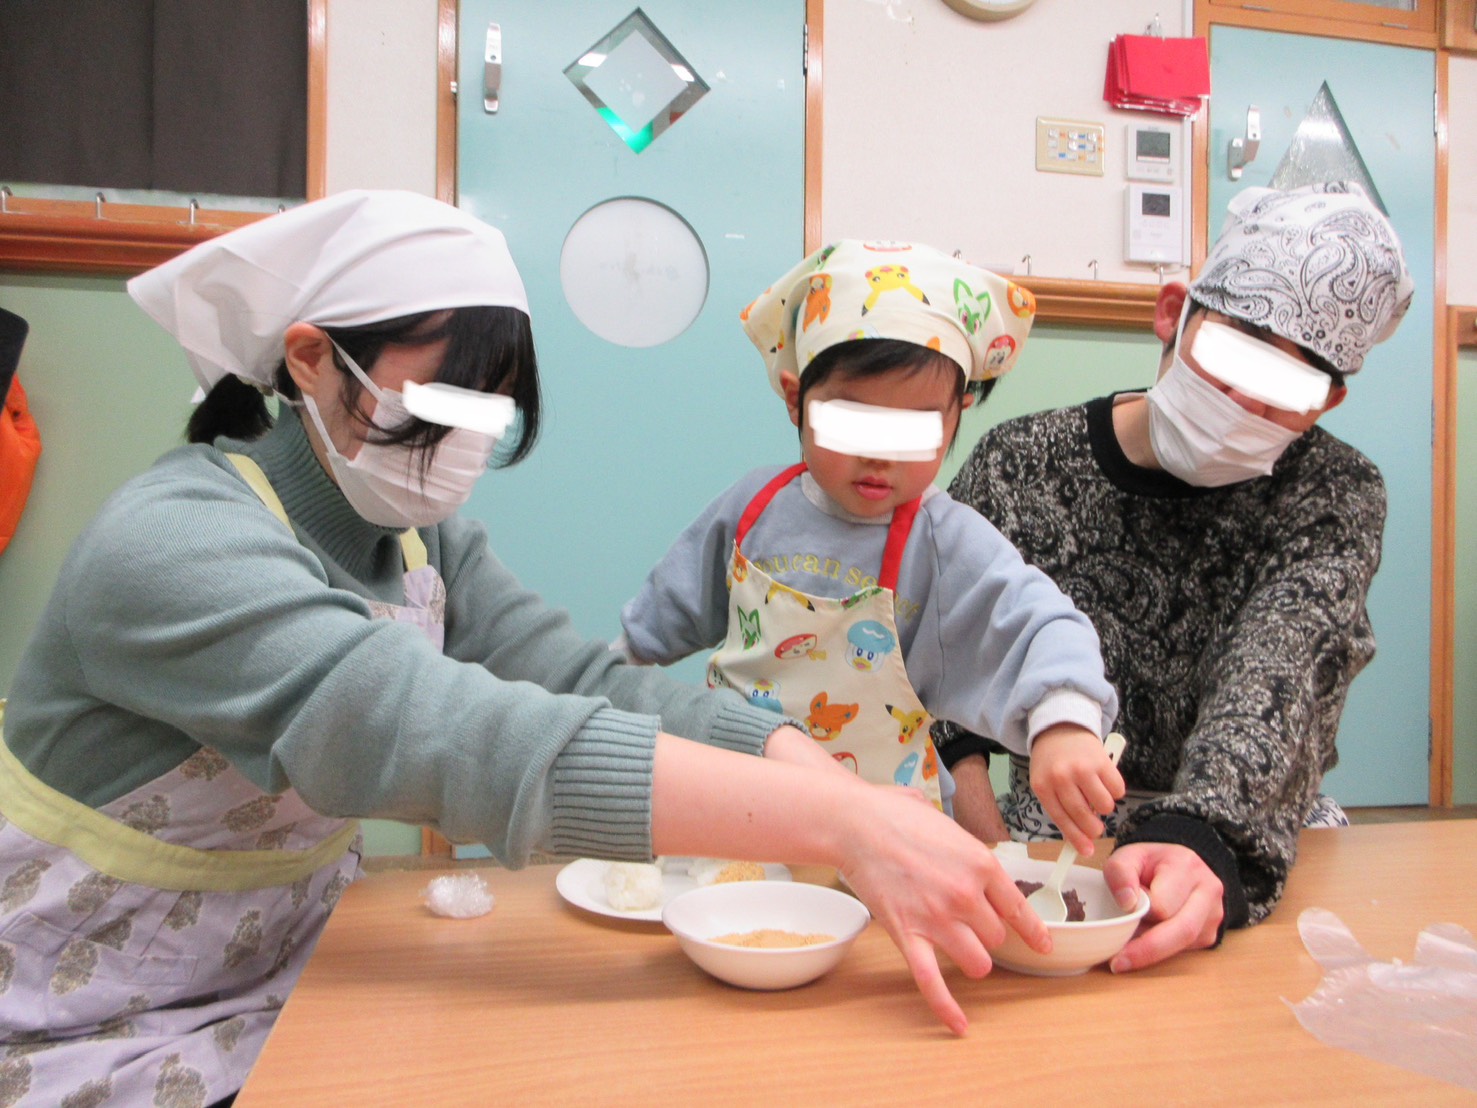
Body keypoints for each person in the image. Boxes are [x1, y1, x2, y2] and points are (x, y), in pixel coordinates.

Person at [0, 194, 1051, 1104]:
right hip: (84, 1025)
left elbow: (572, 675)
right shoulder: (172, 544)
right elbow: (439, 732)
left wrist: (788, 754)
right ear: (312, 357)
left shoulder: (420, 535)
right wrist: (840, 819)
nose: (464, 448)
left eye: (488, 413)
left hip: (299, 975)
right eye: (439, 405)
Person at [937, 182, 1414, 970]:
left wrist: (1199, 835)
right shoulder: (1021, 463)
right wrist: (986, 839)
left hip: (1237, 830)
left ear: (1327, 400)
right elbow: (945, 639)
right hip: (1054, 837)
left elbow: (1277, 669)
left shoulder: (1332, 494)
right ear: (1172, 314)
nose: (1243, 401)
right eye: (1232, 353)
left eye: (1289, 389)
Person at [617, 239, 1124, 856]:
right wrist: (608, 690)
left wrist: (1064, 723)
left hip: (888, 844)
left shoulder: (944, 540)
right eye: (852, 419)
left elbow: (1041, 623)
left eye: (914, 428)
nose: (879, 456)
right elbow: (658, 619)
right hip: (736, 816)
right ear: (794, 398)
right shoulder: (752, 508)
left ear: (956, 415)